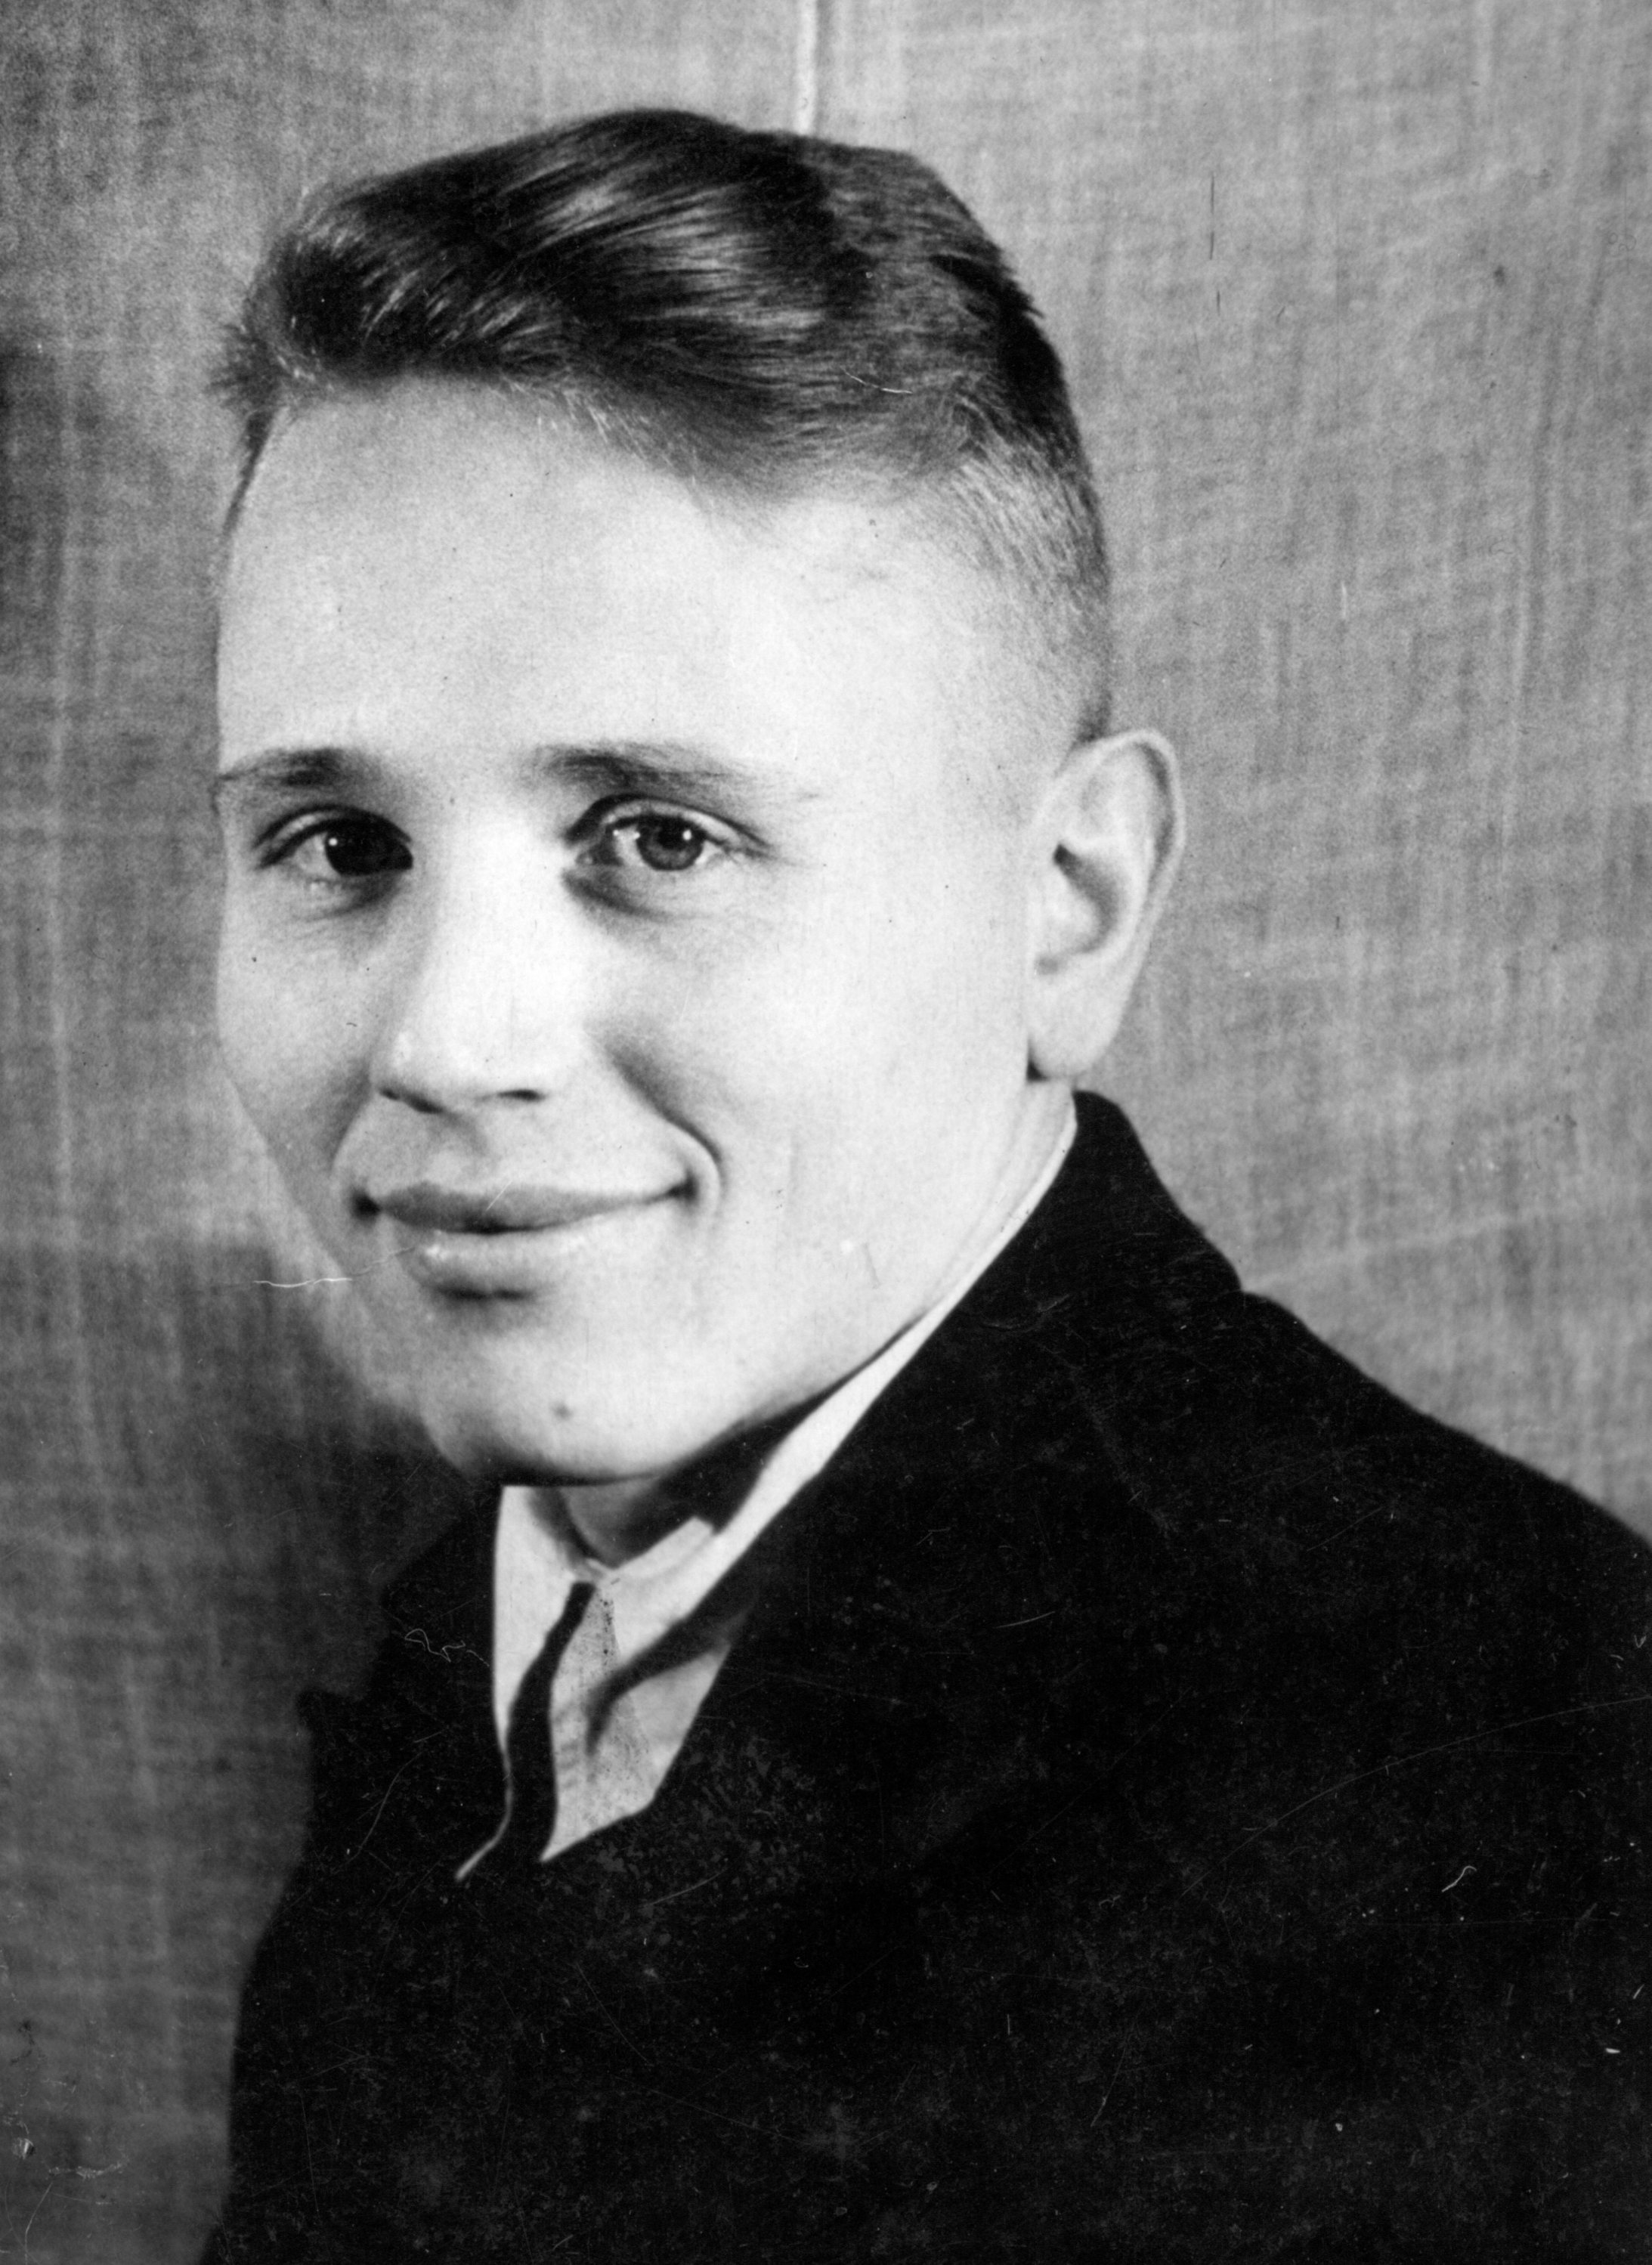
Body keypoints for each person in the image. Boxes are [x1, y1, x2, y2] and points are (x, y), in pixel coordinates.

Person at [203, 109, 1651, 2262]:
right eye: (339, 848)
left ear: (1069, 905)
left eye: (660, 838)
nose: (442, 1042)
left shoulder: (1495, 1775)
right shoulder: (492, 1618)